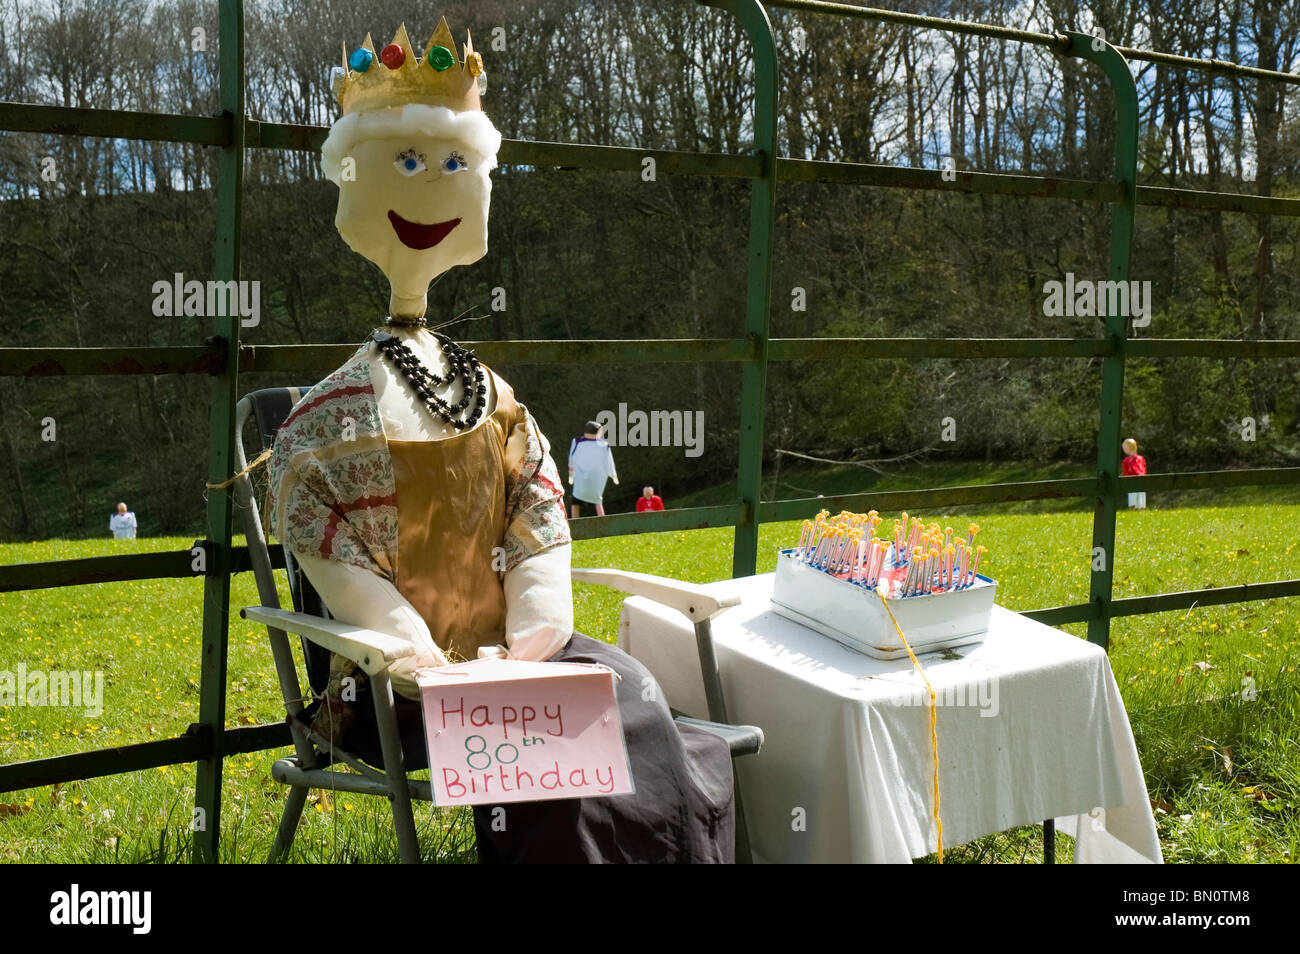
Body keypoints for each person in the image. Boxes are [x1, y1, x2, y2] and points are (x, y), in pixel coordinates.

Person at [265, 20, 733, 863]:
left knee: (631, 694)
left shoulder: (490, 397)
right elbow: (342, 571)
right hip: (394, 689)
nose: (433, 185)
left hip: (517, 645)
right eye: (406, 162)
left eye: (452, 165)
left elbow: (537, 508)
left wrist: (534, 630)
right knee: (551, 739)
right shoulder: (325, 427)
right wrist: (422, 661)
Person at [567, 420, 618, 518]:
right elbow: (572, 459)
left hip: (593, 478)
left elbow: (609, 461)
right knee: (593, 500)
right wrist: (613, 475)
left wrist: (571, 475)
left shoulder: (604, 445)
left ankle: (600, 522)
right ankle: (577, 523)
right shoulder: (577, 441)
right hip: (584, 478)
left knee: (580, 501)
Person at [1121, 437, 1147, 509]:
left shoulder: (1140, 459)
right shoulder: (1126, 461)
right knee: (1132, 497)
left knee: (1141, 497)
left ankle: (1141, 509)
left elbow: (1143, 469)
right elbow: (1126, 472)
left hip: (1141, 480)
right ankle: (1133, 508)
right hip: (1131, 481)